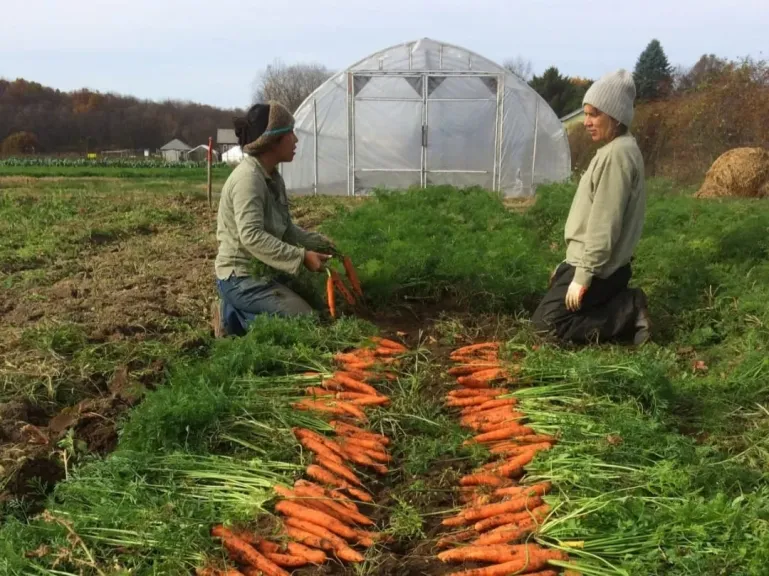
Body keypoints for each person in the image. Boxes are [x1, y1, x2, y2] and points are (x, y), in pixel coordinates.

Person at [531, 69, 651, 345]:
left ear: (616, 116)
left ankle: (629, 309)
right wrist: (567, 266)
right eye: (585, 114)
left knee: (545, 328)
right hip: (602, 266)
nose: (586, 122)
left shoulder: (616, 156)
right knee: (553, 312)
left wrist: (582, 276)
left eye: (594, 114)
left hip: (601, 270)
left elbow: (604, 225)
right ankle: (616, 300)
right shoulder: (621, 149)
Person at [211, 101, 335, 337]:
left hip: (264, 271)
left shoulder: (272, 177)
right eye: (290, 133)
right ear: (273, 141)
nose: (295, 140)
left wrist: (324, 244)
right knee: (305, 324)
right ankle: (232, 317)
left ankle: (239, 312)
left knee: (320, 310)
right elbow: (252, 236)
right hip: (241, 278)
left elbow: (287, 230)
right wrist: (301, 257)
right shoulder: (249, 180)